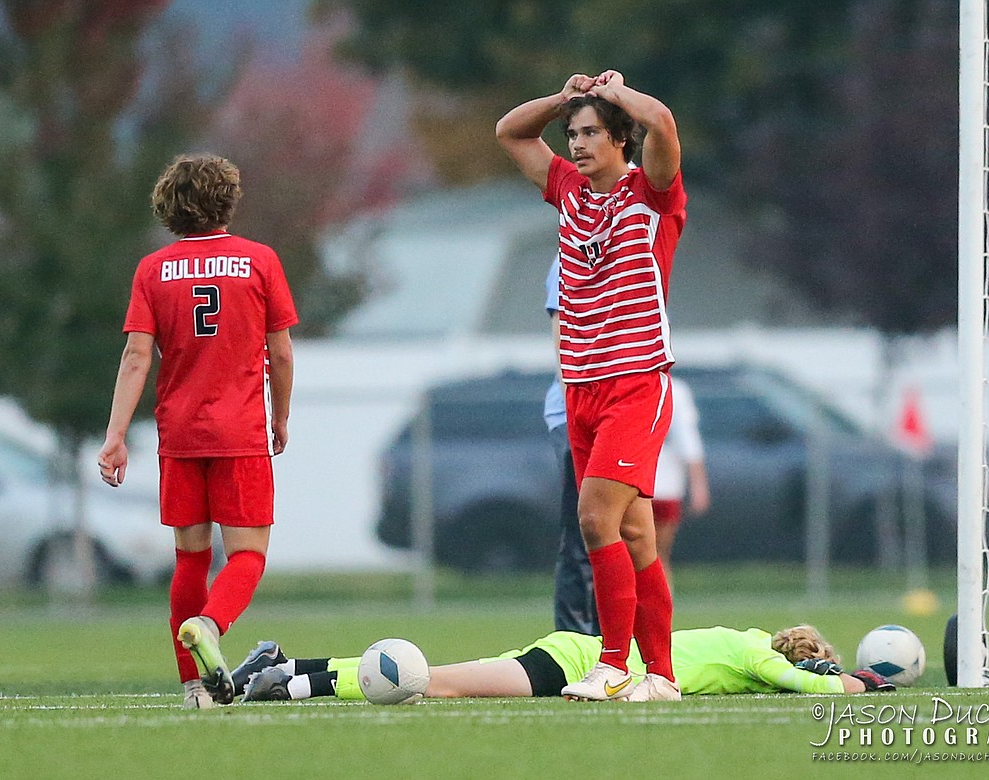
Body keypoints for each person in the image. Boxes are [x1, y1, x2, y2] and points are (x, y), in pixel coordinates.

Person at [496, 71, 686, 702]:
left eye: (590, 132)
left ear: (620, 138)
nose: (575, 144)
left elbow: (663, 123)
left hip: (636, 382)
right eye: (572, 134)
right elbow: (509, 132)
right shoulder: (568, 192)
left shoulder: (651, 195)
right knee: (634, 533)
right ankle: (661, 676)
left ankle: (612, 663)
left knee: (593, 518)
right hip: (579, 389)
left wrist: (618, 92)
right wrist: (562, 98)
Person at [97, 154, 298, 710]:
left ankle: (194, 689)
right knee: (248, 556)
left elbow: (138, 356)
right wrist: (279, 415)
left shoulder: (151, 270)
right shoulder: (259, 261)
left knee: (189, 558)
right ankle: (210, 626)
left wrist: (115, 435)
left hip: (180, 435)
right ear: (228, 200)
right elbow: (279, 353)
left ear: (168, 206)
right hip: (238, 432)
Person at [230, 624, 895, 703]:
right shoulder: (754, 654)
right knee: (433, 681)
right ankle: (294, 686)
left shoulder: (738, 638)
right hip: (571, 660)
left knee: (444, 683)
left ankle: (288, 666)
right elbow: (798, 683)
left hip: (570, 652)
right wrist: (862, 681)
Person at [544, 254, 598, 635]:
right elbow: (562, 326)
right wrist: (576, 402)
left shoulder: (635, 243)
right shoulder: (572, 253)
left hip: (621, 409)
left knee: (626, 533)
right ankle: (576, 639)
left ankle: (618, 639)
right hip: (577, 411)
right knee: (585, 530)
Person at [651, 377, 710, 587]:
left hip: (641, 483)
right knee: (656, 557)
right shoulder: (676, 390)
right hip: (664, 486)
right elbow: (689, 441)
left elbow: (687, 441)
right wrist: (698, 485)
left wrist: (698, 485)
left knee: (642, 557)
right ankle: (655, 614)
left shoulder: (673, 390)